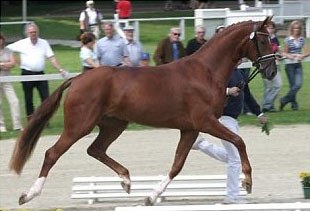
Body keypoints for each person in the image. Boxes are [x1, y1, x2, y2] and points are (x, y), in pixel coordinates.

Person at [191, 26, 267, 204]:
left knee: (231, 157)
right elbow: (207, 89)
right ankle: (231, 196)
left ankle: (201, 144)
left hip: (233, 119)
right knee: (235, 159)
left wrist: (259, 113)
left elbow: (247, 96)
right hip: (223, 119)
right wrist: (226, 91)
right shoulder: (218, 72)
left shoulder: (237, 72)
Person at [7, 23, 67, 120]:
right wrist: (15, 61)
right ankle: (31, 121)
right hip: (27, 74)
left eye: (34, 32)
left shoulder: (44, 43)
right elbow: (7, 49)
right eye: (31, 32)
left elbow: (52, 58)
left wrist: (60, 69)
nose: (33, 34)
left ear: (37, 32)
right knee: (28, 99)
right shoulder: (22, 43)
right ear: (27, 33)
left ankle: (44, 120)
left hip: (40, 74)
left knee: (46, 99)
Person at [280, 20, 310, 111]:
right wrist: (290, 56)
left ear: (300, 29)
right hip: (289, 65)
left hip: (298, 64)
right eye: (294, 28)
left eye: (298, 28)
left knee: (298, 84)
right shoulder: (288, 40)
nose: (296, 30)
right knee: (293, 86)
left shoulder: (302, 39)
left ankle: (284, 100)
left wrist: (303, 55)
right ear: (292, 29)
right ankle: (294, 105)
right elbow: (283, 53)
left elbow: (308, 51)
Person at [0, 33, 23, 132]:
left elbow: (13, 63)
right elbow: (9, 64)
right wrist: (6, 65)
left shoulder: (8, 51)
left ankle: (17, 125)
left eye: (0, 39)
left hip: (7, 79)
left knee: (15, 101)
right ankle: (1, 125)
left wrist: (2, 65)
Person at [262, 21, 282, 112]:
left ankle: (266, 104)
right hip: (264, 66)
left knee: (278, 85)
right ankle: (269, 106)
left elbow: (278, 50)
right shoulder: (261, 39)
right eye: (268, 27)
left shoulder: (275, 39)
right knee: (268, 87)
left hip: (275, 65)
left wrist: (278, 54)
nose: (270, 29)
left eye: (271, 27)